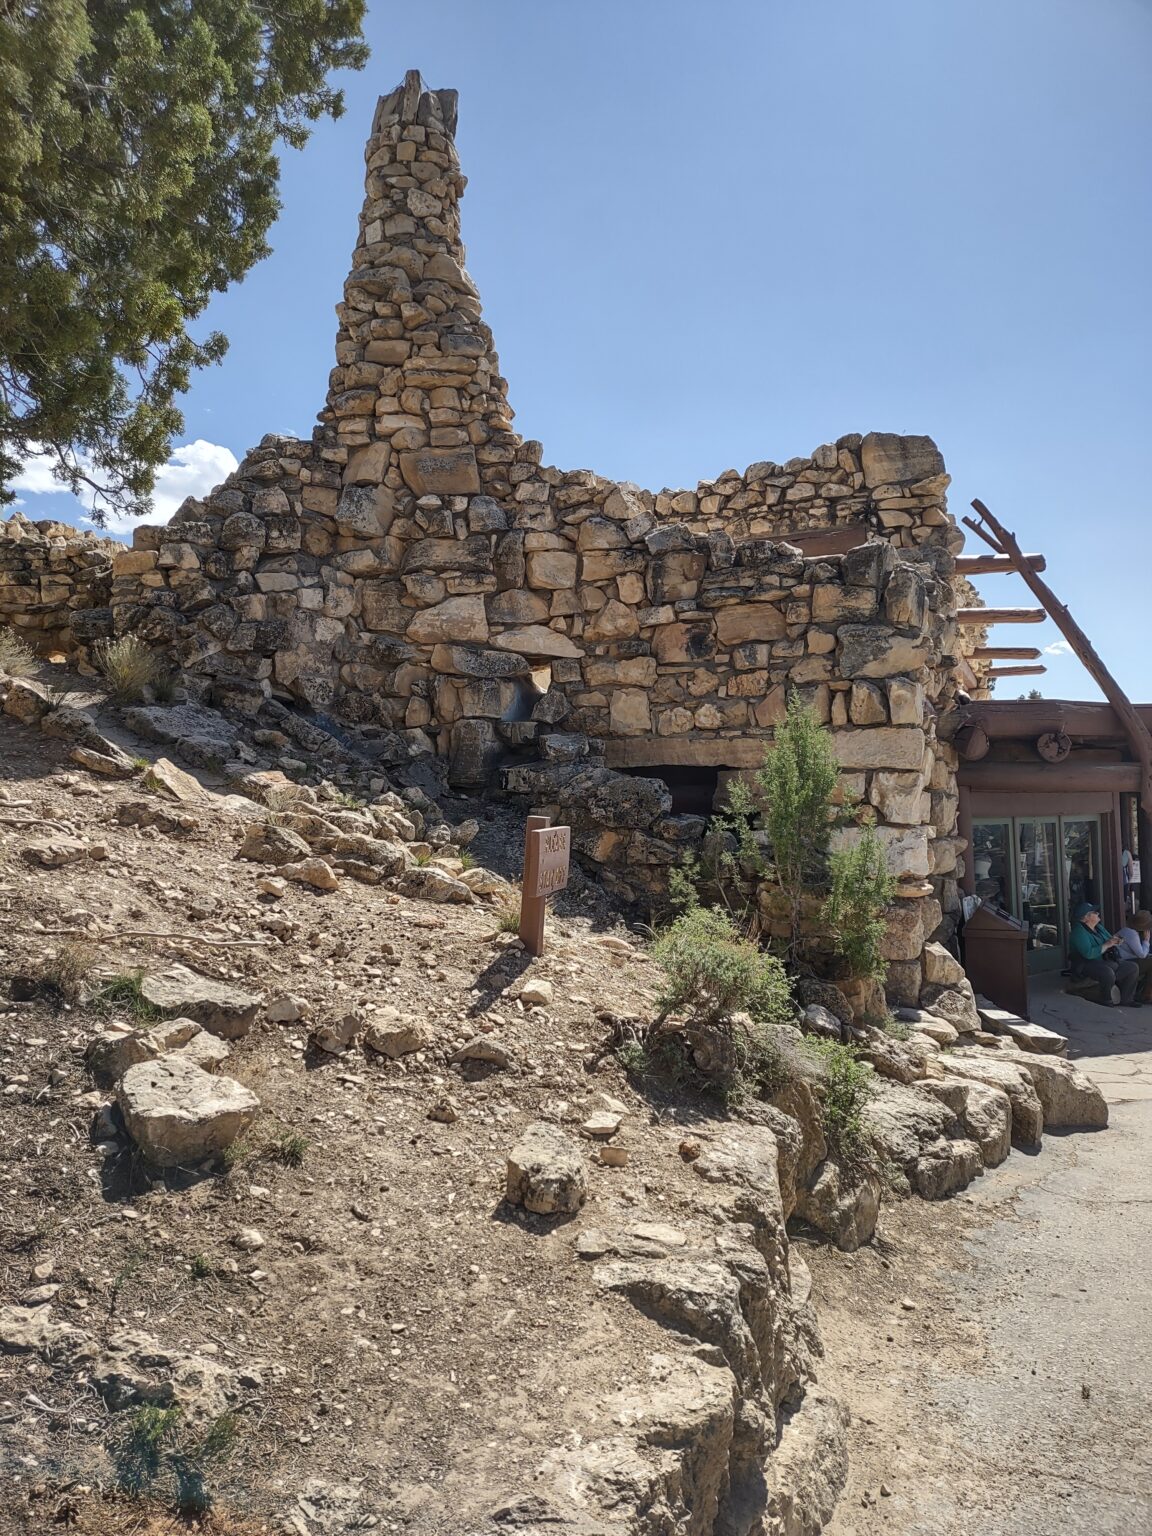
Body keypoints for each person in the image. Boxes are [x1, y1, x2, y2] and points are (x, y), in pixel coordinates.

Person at [1069, 901, 1139, 1006]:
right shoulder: (1078, 932)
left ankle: (1127, 999)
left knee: (1132, 967)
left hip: (1104, 960)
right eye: (1094, 912)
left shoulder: (1098, 927)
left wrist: (1116, 941)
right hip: (1085, 964)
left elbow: (1110, 938)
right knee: (1108, 972)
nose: (1098, 913)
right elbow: (1088, 954)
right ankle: (1106, 999)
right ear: (1086, 917)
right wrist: (1107, 945)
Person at [1115, 909, 1152, 1003]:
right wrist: (1146, 940)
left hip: (1124, 959)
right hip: (1124, 962)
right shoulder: (1132, 934)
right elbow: (1142, 954)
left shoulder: (1126, 930)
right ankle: (1146, 994)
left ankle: (1146, 993)